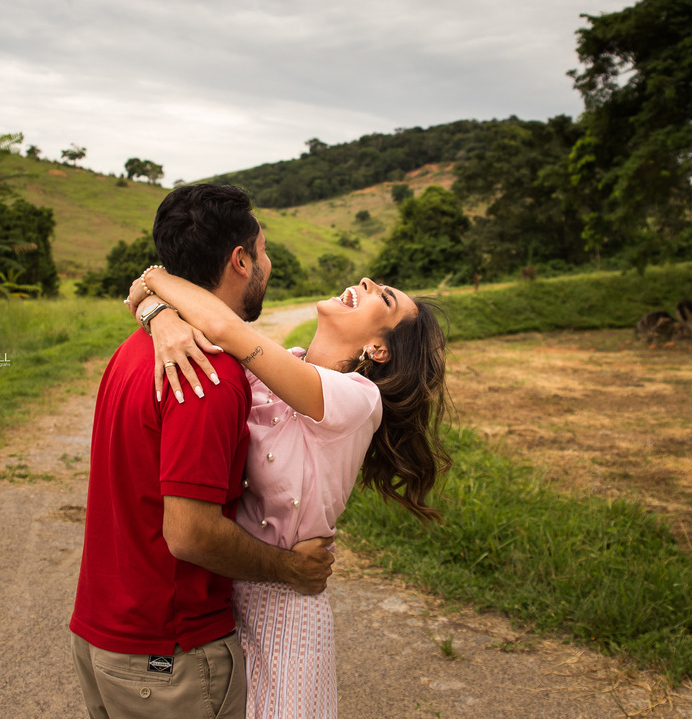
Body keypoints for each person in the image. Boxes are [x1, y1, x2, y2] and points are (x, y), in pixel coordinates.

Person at [127, 260, 452, 719]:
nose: (366, 281)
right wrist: (159, 315)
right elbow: (185, 317)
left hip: (288, 607)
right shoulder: (275, 369)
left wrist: (154, 278)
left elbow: (219, 322)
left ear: (378, 348)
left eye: (385, 296)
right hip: (222, 592)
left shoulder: (357, 399)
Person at [70, 184, 336, 719]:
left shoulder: (139, 345)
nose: (268, 261)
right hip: (168, 654)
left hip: (106, 633)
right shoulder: (207, 371)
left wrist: (154, 304)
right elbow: (188, 532)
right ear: (240, 260)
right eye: (262, 251)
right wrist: (290, 568)